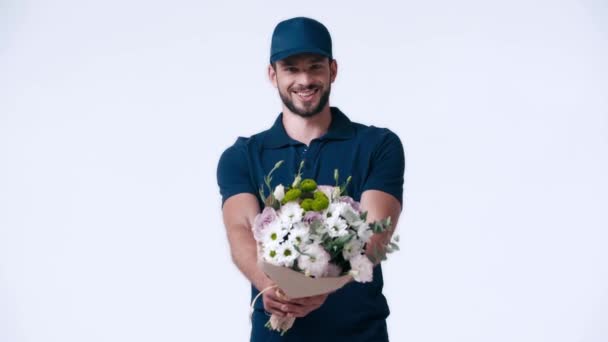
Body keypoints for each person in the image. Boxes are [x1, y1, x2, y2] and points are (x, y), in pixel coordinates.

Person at [216, 17, 405, 342]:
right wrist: (270, 286)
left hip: (359, 334)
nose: (304, 80)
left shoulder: (377, 145)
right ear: (272, 74)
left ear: (332, 70)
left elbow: (376, 234)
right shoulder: (243, 156)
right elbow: (240, 232)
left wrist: (323, 288)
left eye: (315, 67)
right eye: (291, 68)